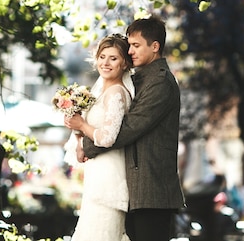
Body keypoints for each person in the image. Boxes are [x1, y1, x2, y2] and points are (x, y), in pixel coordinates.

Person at [66, 16, 186, 241]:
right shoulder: (139, 79)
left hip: (152, 190)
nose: (130, 51)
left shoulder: (160, 82)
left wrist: (86, 143)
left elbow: (130, 128)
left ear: (155, 46)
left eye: (136, 45)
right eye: (129, 45)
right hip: (133, 189)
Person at [62, 34, 135, 241]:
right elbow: (90, 130)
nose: (106, 62)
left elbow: (107, 138)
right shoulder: (100, 93)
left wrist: (82, 125)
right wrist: (77, 135)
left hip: (110, 178)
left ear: (124, 63)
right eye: (103, 56)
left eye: (113, 58)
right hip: (97, 175)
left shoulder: (116, 93)